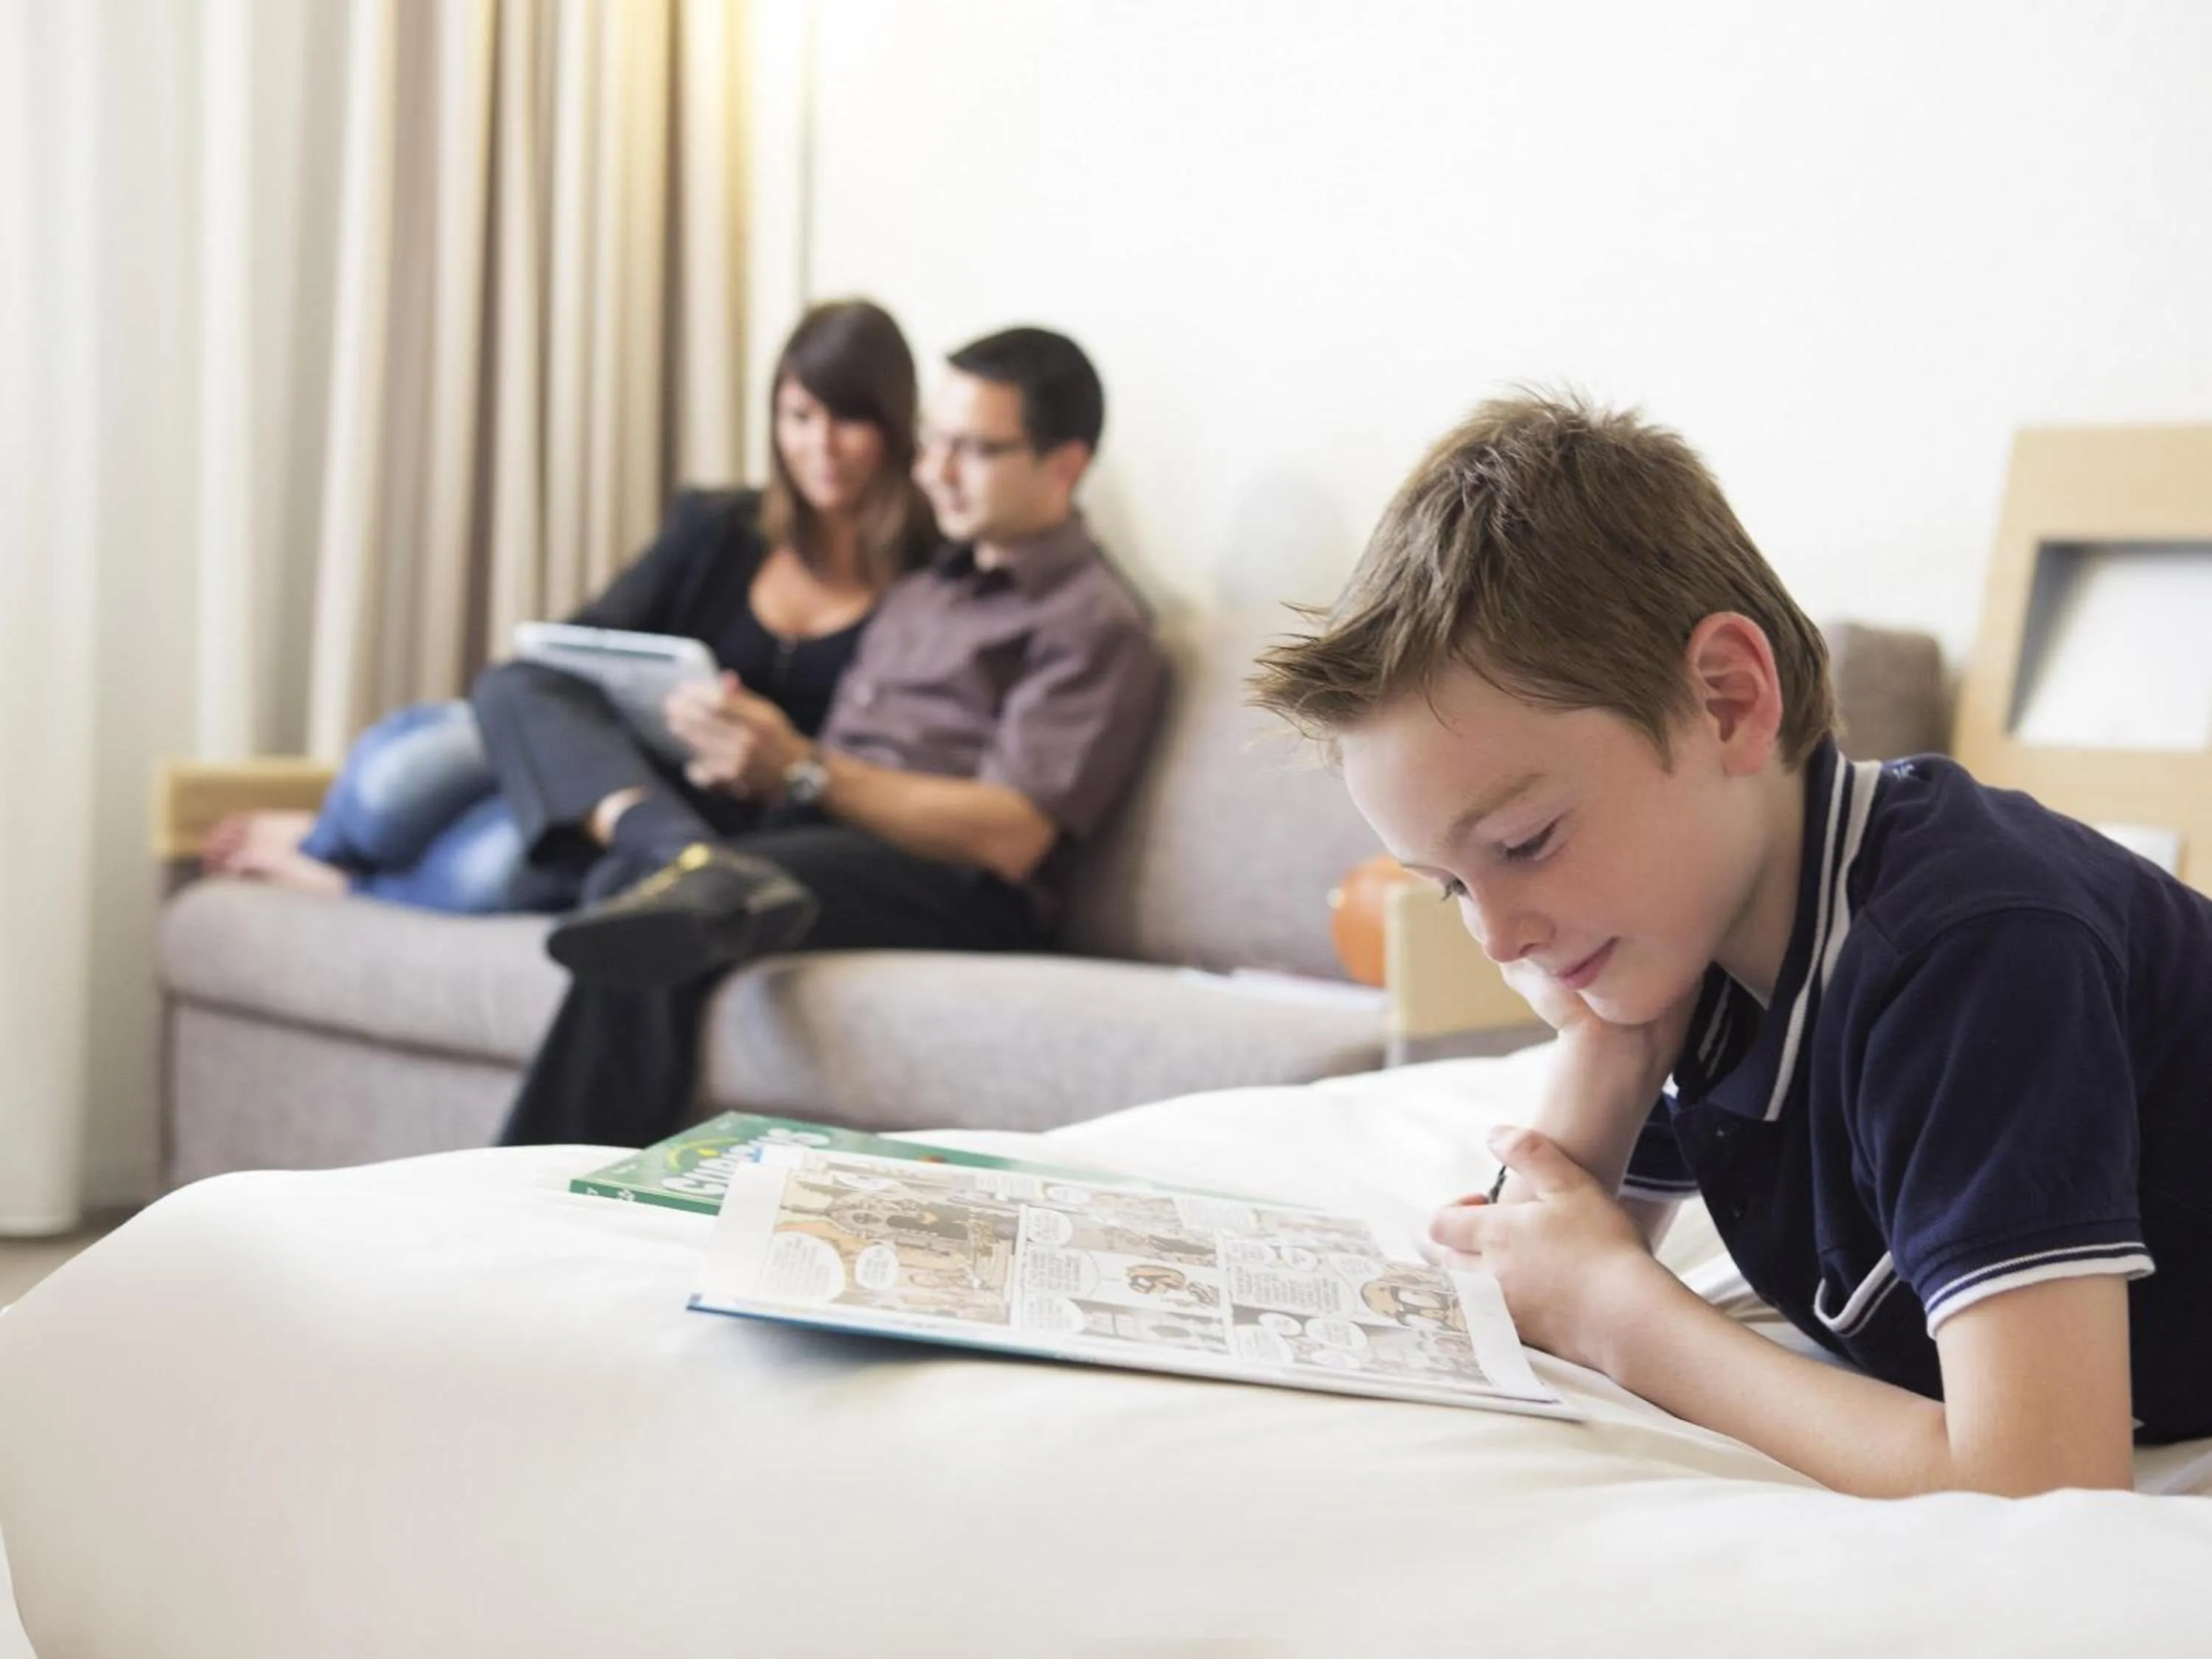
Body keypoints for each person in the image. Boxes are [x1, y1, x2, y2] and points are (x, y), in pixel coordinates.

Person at [1249, 391, 2212, 1498]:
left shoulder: (1968, 948)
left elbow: (2039, 1477)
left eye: (1525, 840)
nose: (1498, 931)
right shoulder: (1704, 926)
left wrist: (1626, 1315)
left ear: (1726, 701)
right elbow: (1523, 1273)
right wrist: (1610, 1046)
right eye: (1451, 884)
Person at [495, 326, 1166, 1150]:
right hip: (822, 834)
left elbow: (1011, 834)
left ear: (1064, 466)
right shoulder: (931, 581)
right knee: (627, 853)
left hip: (950, 880)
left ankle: (541, 1184)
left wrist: (805, 769)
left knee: (686, 900)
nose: (935, 472)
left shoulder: (1092, 623)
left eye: (976, 451)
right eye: (933, 443)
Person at [200, 298, 935, 914]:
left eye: (848, 420)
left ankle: (341, 874)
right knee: (429, 754)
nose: (821, 446)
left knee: (501, 871)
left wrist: (767, 760)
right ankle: (328, 839)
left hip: (724, 813)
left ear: (894, 425)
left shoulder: (932, 583)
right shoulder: (717, 529)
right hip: (614, 762)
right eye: (799, 416)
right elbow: (575, 644)